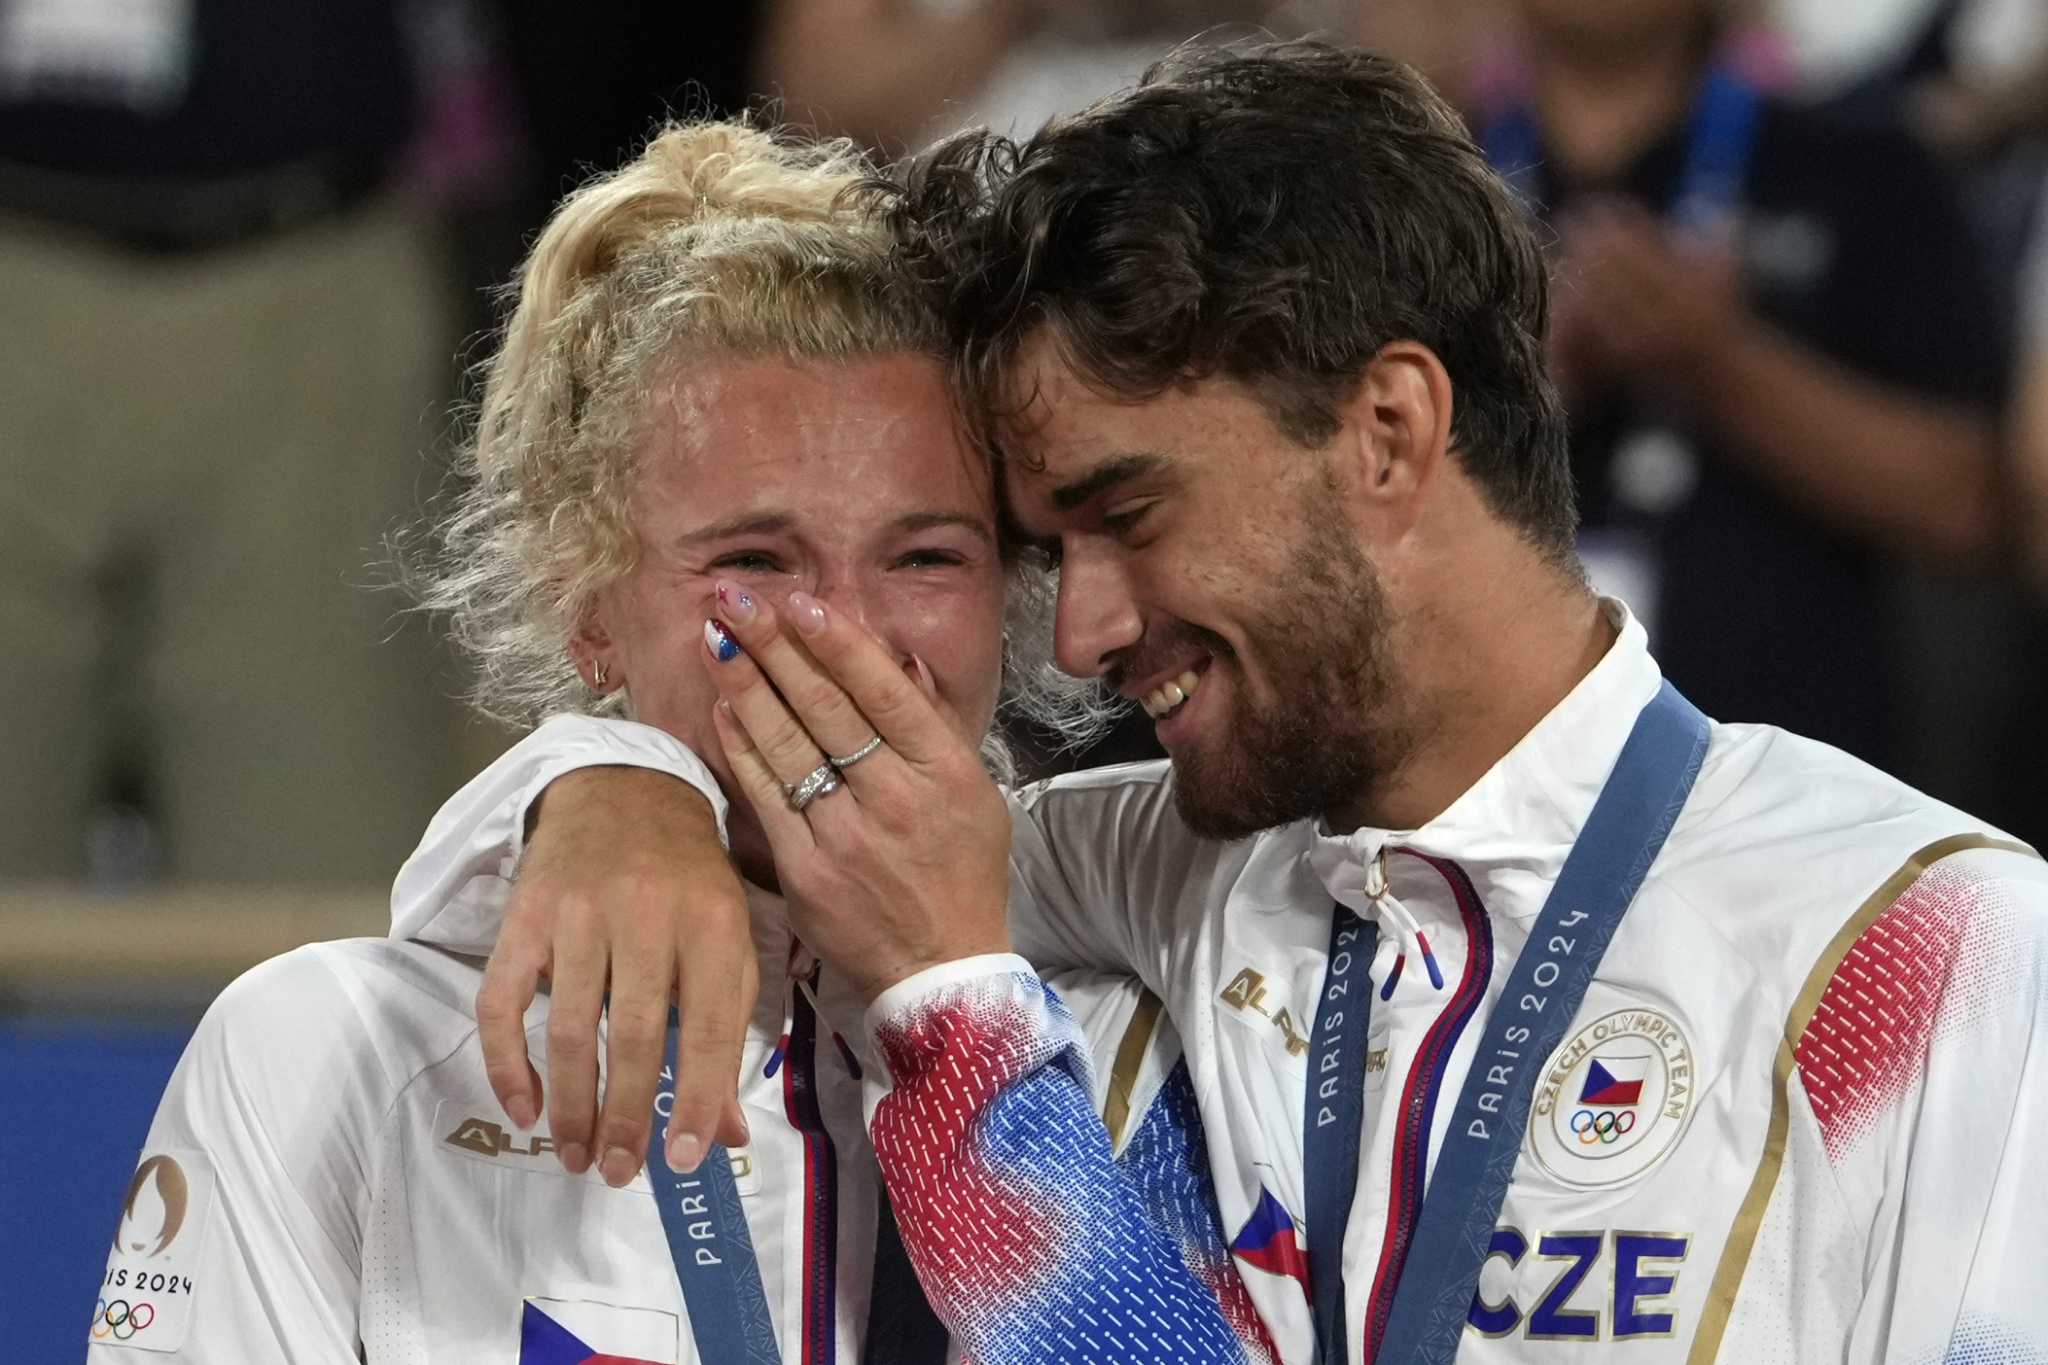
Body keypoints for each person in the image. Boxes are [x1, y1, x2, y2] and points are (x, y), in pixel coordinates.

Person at [393, 42, 2048, 1363]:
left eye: (1129, 513)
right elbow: (768, 856)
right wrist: (610, 784)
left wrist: (967, 1032)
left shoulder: (1932, 950)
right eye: (1045, 547)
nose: (1085, 630)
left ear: (1389, 433)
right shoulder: (1156, 870)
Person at [91, 119, 1244, 1363]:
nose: (844, 638)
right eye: (752, 563)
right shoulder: (336, 1059)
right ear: (585, 599)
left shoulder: (1140, 1046)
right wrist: (597, 774)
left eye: (925, 557)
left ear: (1012, 596)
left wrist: (949, 1008)